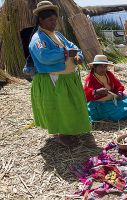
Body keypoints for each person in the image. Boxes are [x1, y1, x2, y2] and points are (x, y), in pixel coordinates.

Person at [29, 1, 91, 145]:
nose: (54, 23)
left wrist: (78, 56)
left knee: (73, 104)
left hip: (68, 78)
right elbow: (44, 56)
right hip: (55, 80)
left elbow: (73, 46)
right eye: (50, 20)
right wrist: (66, 53)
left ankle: (73, 128)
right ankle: (62, 134)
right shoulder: (38, 39)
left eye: (55, 20)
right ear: (41, 20)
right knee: (61, 107)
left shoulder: (57, 35)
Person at [84, 55, 127, 122]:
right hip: (100, 103)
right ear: (95, 67)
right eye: (101, 66)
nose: (103, 69)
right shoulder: (90, 78)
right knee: (116, 116)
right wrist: (96, 91)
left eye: (105, 67)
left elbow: (118, 85)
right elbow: (86, 93)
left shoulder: (109, 74)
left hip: (113, 100)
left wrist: (119, 93)